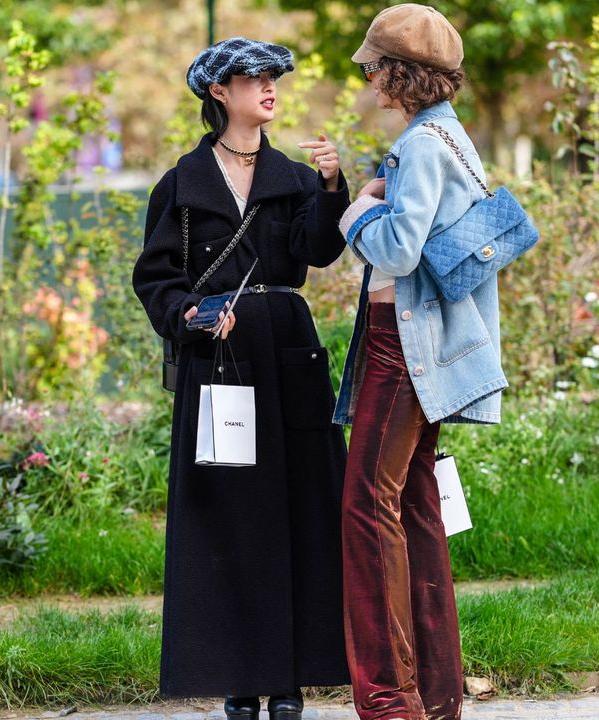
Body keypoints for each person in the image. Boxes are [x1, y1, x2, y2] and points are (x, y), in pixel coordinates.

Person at [131, 37, 352, 720]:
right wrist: (194, 313)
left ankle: (289, 681)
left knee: (297, 515)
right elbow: (154, 279)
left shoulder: (293, 176)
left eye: (272, 77)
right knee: (228, 521)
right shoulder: (182, 183)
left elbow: (316, 253)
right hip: (218, 362)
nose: (269, 87)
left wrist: (331, 187)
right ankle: (239, 679)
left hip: (288, 352)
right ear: (218, 93)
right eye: (252, 78)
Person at [332, 5, 509, 720]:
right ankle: (433, 700)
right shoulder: (452, 139)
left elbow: (399, 251)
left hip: (399, 342)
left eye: (374, 66)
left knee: (366, 507)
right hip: (423, 343)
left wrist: (354, 211)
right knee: (413, 506)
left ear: (401, 71)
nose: (369, 78)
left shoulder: (421, 145)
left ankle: (388, 704)